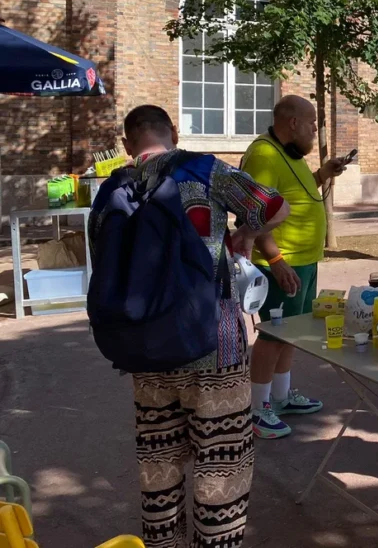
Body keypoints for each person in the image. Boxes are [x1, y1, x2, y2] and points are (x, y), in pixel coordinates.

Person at [89, 105, 290, 548]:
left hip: (144, 350)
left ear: (127, 144)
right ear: (173, 133)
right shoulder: (204, 171)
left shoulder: (111, 192)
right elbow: (276, 207)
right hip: (214, 345)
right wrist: (246, 236)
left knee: (158, 468)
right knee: (222, 468)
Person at [241, 95, 349, 440]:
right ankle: (257, 410)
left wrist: (322, 174)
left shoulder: (290, 153)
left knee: (293, 332)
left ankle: (282, 397)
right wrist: (275, 259)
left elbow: (292, 196)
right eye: (313, 123)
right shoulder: (263, 155)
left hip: (303, 261)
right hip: (281, 263)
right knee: (273, 336)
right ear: (293, 123)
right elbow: (252, 215)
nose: (315, 130)